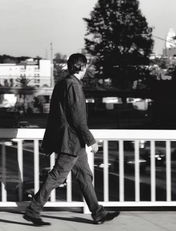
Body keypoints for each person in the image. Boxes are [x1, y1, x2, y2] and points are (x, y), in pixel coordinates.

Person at [23, 53, 120, 226]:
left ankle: (98, 213)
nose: (87, 69)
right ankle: (33, 209)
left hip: (69, 139)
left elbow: (57, 116)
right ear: (82, 67)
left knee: (84, 175)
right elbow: (77, 118)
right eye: (86, 66)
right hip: (71, 140)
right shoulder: (73, 86)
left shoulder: (62, 83)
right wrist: (91, 140)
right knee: (57, 176)